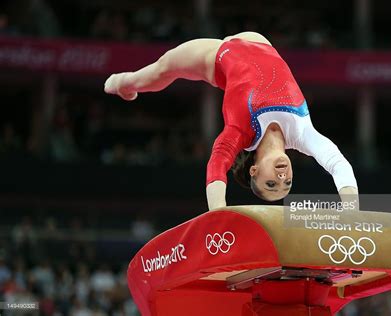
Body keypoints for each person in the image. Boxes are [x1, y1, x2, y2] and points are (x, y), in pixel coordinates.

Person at [104, 31, 358, 210]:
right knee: (164, 69)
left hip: (216, 58)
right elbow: (337, 163)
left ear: (254, 171)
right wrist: (351, 211)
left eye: (271, 183)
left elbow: (217, 164)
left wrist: (218, 213)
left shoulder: (241, 133)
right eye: (287, 183)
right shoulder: (303, 133)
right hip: (261, 42)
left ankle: (124, 82)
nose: (282, 178)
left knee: (163, 68)